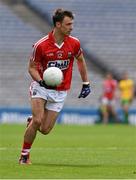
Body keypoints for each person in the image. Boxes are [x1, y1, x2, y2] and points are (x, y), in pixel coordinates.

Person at [19, 8, 91, 164]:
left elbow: (80, 60)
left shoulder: (74, 43)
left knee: (45, 130)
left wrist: (86, 83)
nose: (71, 27)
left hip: (61, 91)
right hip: (41, 87)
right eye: (68, 24)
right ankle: (24, 156)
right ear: (58, 24)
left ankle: (31, 121)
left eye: (72, 24)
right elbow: (31, 67)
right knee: (38, 121)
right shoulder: (41, 45)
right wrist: (40, 81)